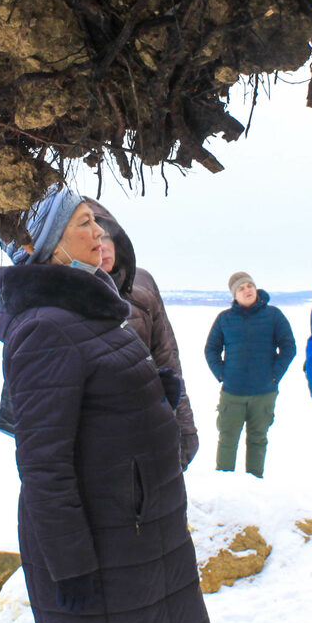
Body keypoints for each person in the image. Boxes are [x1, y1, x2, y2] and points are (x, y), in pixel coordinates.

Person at [0, 184, 215, 623]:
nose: (101, 235)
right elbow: (43, 462)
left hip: (137, 529)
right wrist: (70, 563)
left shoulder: (94, 309)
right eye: (85, 225)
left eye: (101, 224)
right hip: (96, 540)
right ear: (51, 246)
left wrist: (155, 401)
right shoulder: (46, 325)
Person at [86, 201, 199, 469]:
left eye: (106, 237)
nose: (101, 245)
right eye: (92, 238)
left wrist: (184, 423)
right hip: (99, 442)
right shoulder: (65, 296)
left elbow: (167, 358)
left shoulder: (142, 285)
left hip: (152, 424)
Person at [203, 272, 296, 477]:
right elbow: (211, 349)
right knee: (227, 440)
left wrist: (274, 375)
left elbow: (289, 348)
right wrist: (222, 374)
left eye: (249, 286)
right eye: (241, 288)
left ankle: (254, 484)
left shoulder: (273, 316)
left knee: (257, 439)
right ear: (234, 295)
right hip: (233, 393)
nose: (247, 290)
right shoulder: (224, 319)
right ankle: (224, 486)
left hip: (264, 393)